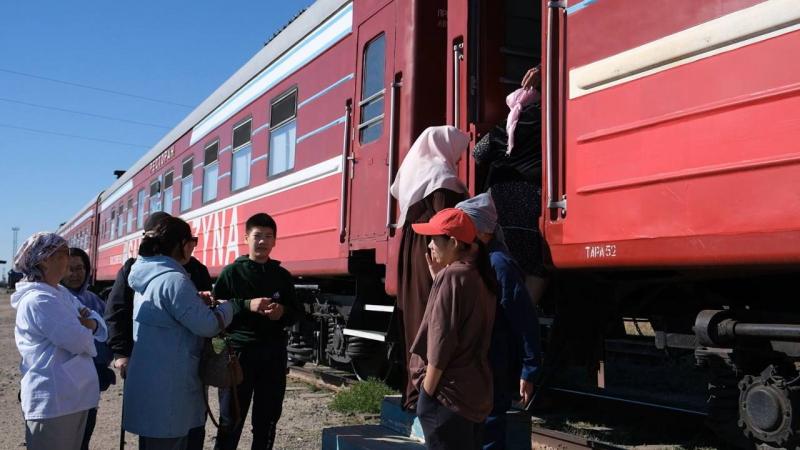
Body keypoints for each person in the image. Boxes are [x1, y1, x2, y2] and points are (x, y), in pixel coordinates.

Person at [122, 216, 237, 449]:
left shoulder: (148, 274)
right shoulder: (174, 279)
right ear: (181, 245)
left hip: (153, 381)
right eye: (192, 242)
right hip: (170, 387)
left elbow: (172, 311)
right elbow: (208, 325)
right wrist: (230, 307)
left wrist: (194, 301)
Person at [104, 211, 213, 449]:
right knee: (167, 428)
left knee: (186, 429)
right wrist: (121, 353)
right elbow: (117, 310)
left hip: (187, 365)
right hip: (165, 365)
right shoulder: (140, 269)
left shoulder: (194, 269)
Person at [389, 125, 470, 409]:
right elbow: (446, 225)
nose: (456, 161)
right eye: (456, 155)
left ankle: (413, 391)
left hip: (413, 253)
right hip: (433, 254)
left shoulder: (419, 177)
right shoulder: (442, 180)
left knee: (415, 318)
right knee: (432, 318)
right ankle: (428, 393)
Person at [456, 194, 542, 450]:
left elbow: (524, 320)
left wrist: (529, 369)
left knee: (490, 430)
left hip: (494, 365)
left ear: (482, 232)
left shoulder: (499, 265)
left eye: (464, 227)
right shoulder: (480, 261)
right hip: (480, 364)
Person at [408, 209, 498, 450]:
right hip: (473, 395)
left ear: (455, 242)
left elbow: (441, 343)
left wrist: (426, 396)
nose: (429, 245)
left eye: (435, 239)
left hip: (446, 398)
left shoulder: (452, 277)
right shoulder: (479, 275)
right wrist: (438, 279)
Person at [212, 212, 302, 450]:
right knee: (231, 420)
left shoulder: (282, 276)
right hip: (238, 355)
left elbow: (296, 312)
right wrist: (245, 305)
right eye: (257, 236)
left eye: (268, 236)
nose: (262, 241)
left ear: (275, 241)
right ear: (246, 239)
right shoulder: (231, 273)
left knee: (267, 420)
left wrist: (282, 311)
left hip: (273, 355)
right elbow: (214, 309)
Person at [11, 232, 108, 450]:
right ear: (45, 259)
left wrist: (88, 323)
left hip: (72, 397)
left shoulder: (59, 292)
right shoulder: (40, 300)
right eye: (63, 253)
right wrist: (88, 325)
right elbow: (78, 340)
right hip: (53, 401)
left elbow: (97, 322)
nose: (68, 258)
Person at [61, 247, 116, 450]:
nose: (75, 274)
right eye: (69, 269)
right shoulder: (56, 299)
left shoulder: (94, 300)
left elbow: (107, 333)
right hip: (65, 383)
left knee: (84, 436)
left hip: (91, 381)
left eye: (80, 268)